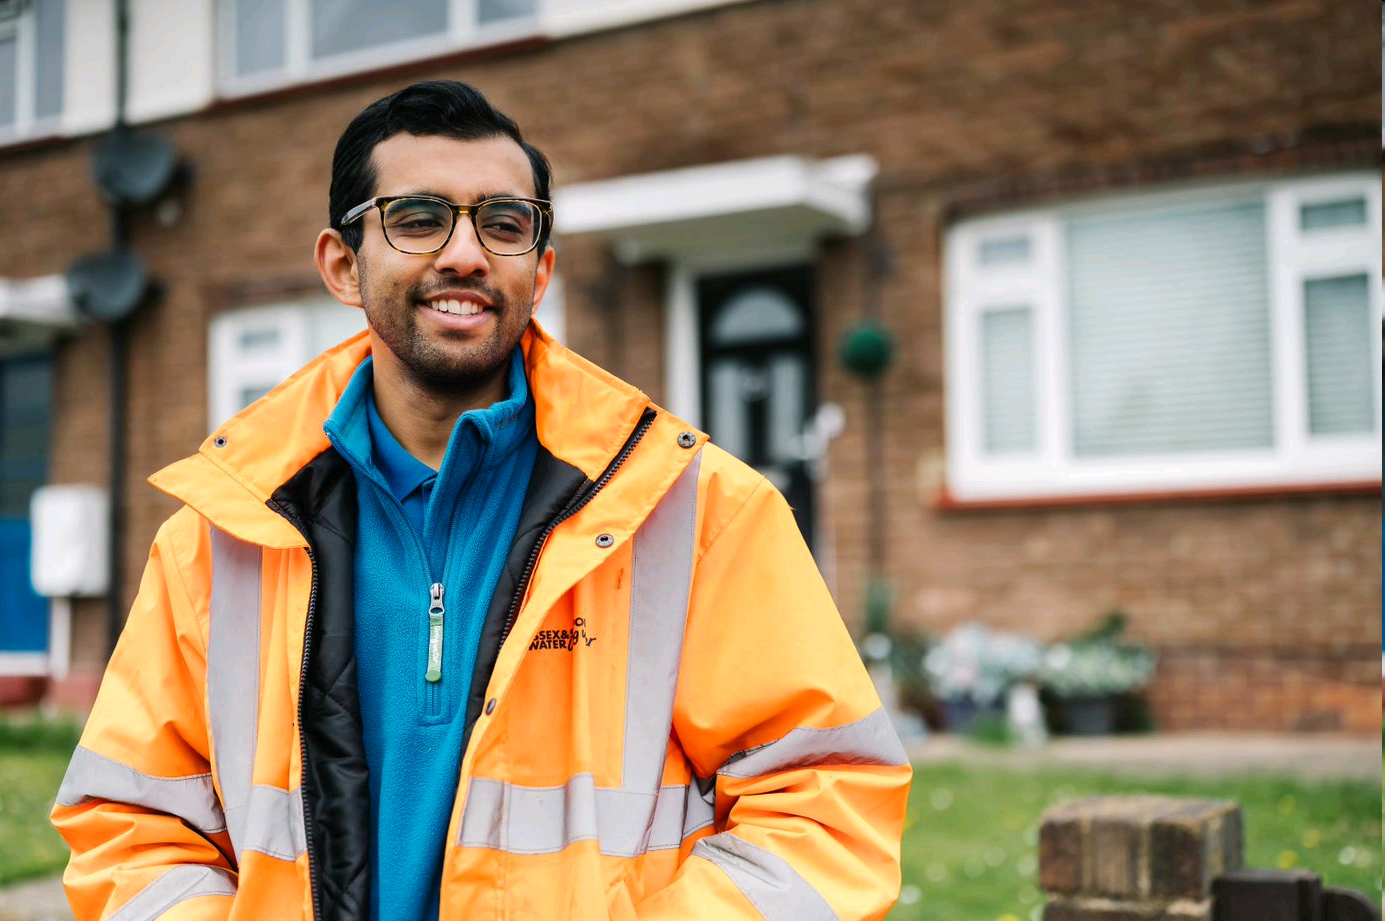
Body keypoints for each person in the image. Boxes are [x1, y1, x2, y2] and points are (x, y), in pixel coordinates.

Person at [52, 80, 911, 921]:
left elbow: (824, 807)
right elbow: (131, 826)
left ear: (539, 272)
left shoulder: (699, 513)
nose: (464, 252)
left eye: (503, 224)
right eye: (419, 218)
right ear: (342, 265)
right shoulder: (215, 538)